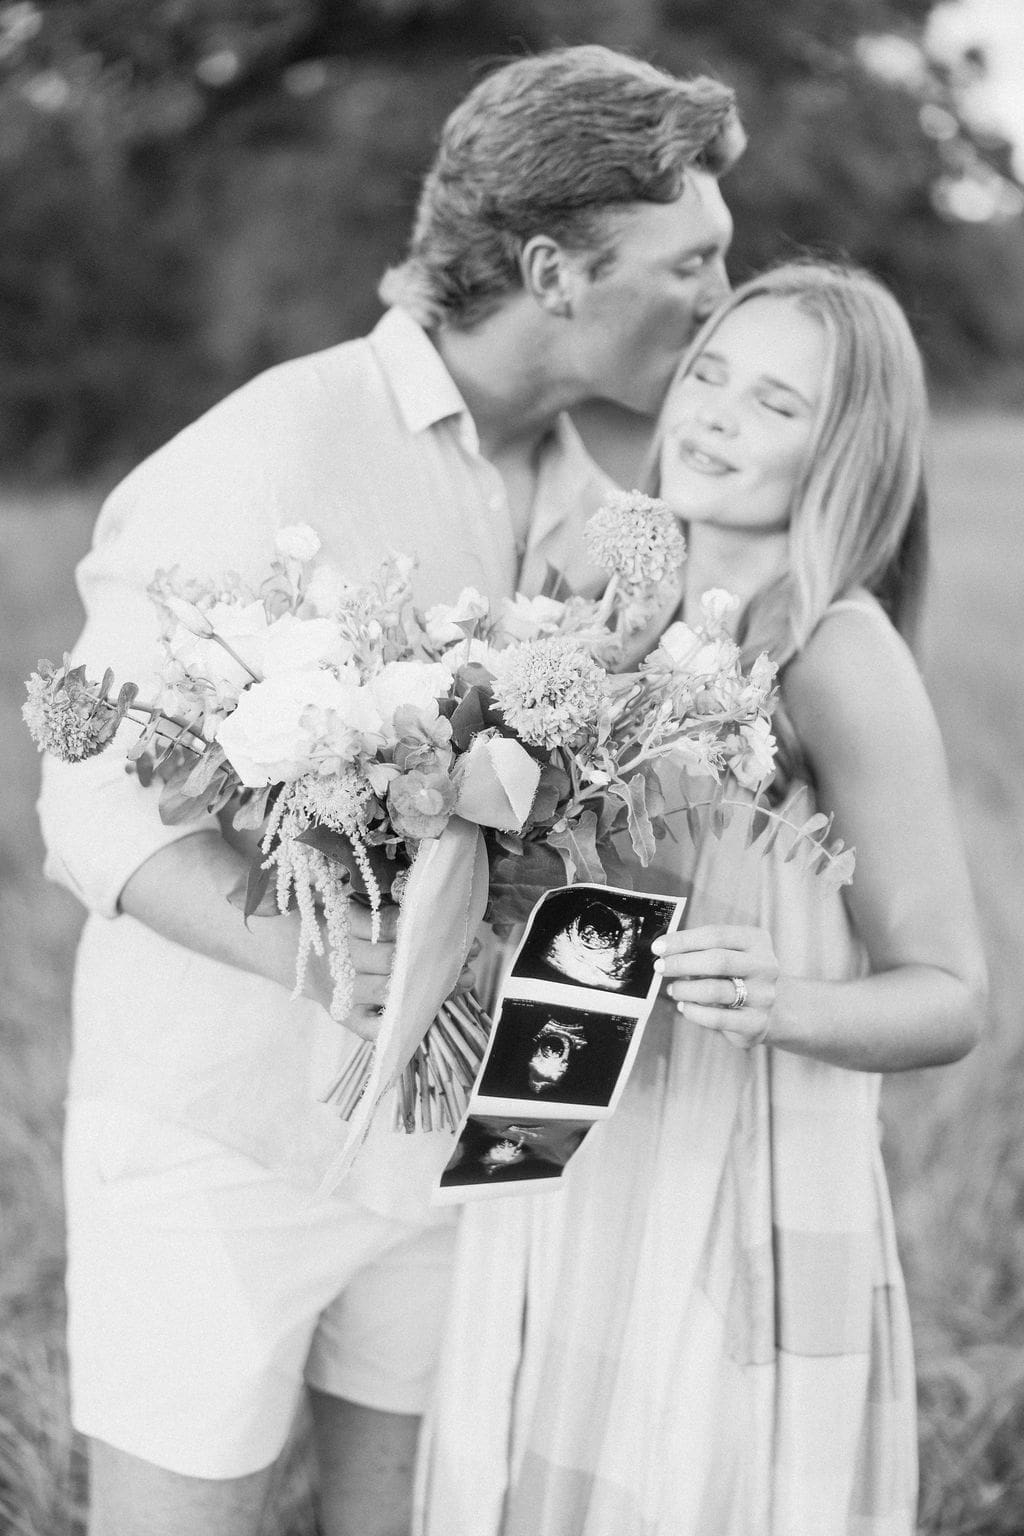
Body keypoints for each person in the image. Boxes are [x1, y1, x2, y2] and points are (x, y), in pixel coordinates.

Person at [36, 45, 743, 1536]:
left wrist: (542, 1116)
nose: (717, 304)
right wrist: (322, 963)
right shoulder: (269, 447)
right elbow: (88, 807)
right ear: (556, 268)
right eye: (693, 263)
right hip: (228, 1141)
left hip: (465, 1164)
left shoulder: (615, 525)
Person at [415, 263, 988, 1536]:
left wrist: (785, 1002)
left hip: (733, 1161)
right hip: (563, 1134)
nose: (717, 415)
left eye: (776, 404)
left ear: (844, 449)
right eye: (713, 373)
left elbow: (951, 996)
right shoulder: (588, 600)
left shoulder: (833, 647)